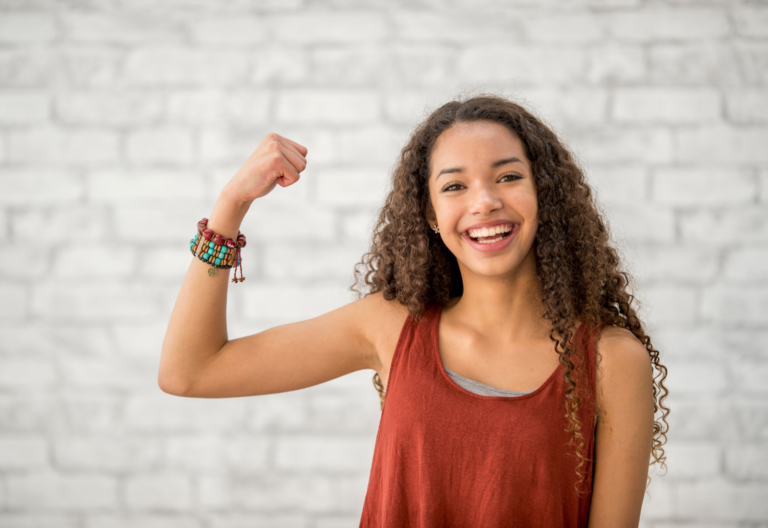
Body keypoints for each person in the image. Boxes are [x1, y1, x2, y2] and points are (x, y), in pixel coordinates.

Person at [159, 93, 670, 527]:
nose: (484, 201)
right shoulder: (391, 326)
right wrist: (231, 206)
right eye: (454, 186)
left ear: (546, 193)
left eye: (509, 176)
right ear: (430, 213)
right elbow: (190, 371)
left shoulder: (610, 361)